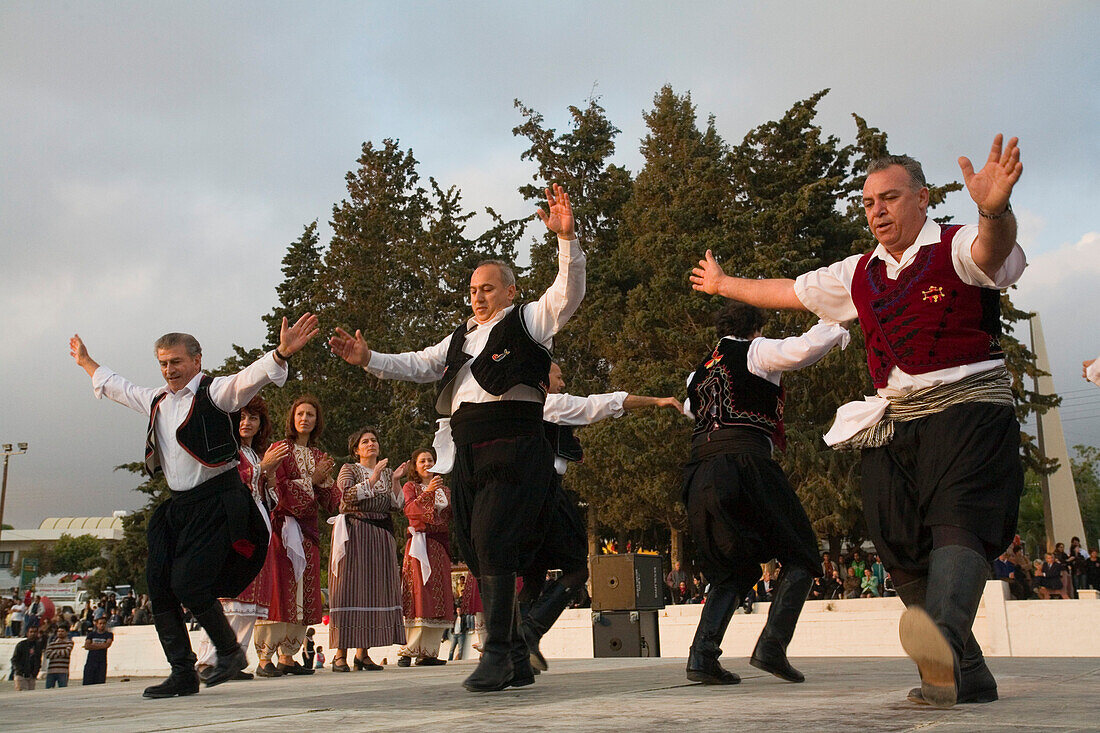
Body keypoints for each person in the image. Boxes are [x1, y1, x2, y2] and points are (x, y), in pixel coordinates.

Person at [690, 135, 1025, 708]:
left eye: (890, 199)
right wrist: (723, 285)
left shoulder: (959, 243)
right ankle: (965, 671)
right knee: (896, 538)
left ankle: (942, 640)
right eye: (869, 203)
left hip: (970, 410)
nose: (877, 211)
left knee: (957, 523)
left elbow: (994, 253)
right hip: (895, 420)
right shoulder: (858, 272)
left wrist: (993, 208)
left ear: (922, 200)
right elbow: (788, 292)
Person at [329, 184, 583, 692]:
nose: (478, 295)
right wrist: (369, 359)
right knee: (478, 546)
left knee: (492, 539)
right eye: (472, 289)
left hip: (514, 447)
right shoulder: (460, 338)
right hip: (468, 454)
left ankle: (495, 653)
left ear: (510, 291)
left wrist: (566, 241)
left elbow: (567, 292)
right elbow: (420, 365)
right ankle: (513, 656)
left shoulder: (530, 320)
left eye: (488, 287)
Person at [70, 314, 319, 698]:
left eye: (176, 362)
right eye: (164, 363)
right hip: (179, 507)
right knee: (159, 584)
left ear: (197, 360)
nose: (169, 370)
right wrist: (87, 363)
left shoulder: (216, 393)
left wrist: (281, 353)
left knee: (188, 581)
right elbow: (120, 387)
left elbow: (249, 378)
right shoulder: (157, 400)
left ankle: (229, 651)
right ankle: (182, 672)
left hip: (219, 501)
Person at [681, 302, 849, 686]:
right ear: (755, 327)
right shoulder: (755, 351)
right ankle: (772, 644)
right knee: (804, 553)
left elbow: (694, 412)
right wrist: (836, 320)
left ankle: (702, 656)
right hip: (746, 464)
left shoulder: (698, 372)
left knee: (733, 569)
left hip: (700, 470)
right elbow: (802, 349)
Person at [520, 361, 683, 672]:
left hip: (522, 498)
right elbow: (604, 403)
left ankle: (510, 646)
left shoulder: (516, 410)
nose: (563, 381)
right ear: (543, 381)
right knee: (576, 571)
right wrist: (656, 401)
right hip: (545, 493)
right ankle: (528, 633)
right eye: (558, 375)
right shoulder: (552, 404)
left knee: (533, 575)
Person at [195, 395, 285, 681]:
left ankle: (234, 661)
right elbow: (230, 480)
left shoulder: (255, 454)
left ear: (261, 425)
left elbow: (267, 496)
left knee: (249, 605)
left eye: (253, 418)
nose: (247, 423)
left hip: (256, 525)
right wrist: (262, 469)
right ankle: (209, 661)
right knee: (231, 600)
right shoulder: (227, 450)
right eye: (242, 417)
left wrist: (269, 479)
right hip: (232, 528)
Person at [253, 395, 341, 677]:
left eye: (310, 415)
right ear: (292, 418)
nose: (304, 418)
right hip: (282, 531)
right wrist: (311, 481)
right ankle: (265, 657)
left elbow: (331, 499)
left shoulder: (318, 456)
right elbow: (275, 490)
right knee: (280, 591)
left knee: (304, 592)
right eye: (300, 413)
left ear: (317, 421)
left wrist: (344, 493)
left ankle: (288, 656)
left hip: (308, 532)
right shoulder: (280, 449)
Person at [328, 427, 408, 672]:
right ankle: (340, 654)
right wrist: (372, 478)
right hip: (355, 532)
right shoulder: (349, 470)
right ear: (356, 449)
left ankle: (363, 653)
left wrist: (394, 481)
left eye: (374, 440)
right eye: (365, 441)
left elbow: (397, 506)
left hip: (380, 535)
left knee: (374, 590)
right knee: (350, 588)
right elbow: (346, 497)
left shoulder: (386, 473)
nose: (371, 444)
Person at [397, 449, 455, 667]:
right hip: (420, 545)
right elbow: (411, 510)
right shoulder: (410, 487)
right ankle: (407, 650)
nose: (427, 464)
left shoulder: (446, 490)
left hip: (439, 545)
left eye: (430, 460)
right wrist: (428, 492)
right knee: (419, 594)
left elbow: (448, 515)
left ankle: (429, 651)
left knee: (438, 595)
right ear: (415, 465)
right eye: (422, 461)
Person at [83, 615, 113, 685]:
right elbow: (87, 646)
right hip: (91, 662)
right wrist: (101, 646)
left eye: (104, 623)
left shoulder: (109, 634)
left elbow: (107, 645)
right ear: (96, 624)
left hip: (101, 662)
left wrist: (93, 645)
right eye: (100, 623)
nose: (102, 625)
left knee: (100, 683)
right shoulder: (91, 634)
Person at [11, 623, 42, 690]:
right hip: (21, 676)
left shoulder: (38, 646)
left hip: (31, 676)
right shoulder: (21, 645)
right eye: (31, 632)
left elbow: (38, 660)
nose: (33, 634)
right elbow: (14, 659)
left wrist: (35, 672)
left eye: (35, 632)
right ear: (27, 633)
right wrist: (19, 670)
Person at [44, 623, 75, 688]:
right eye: (59, 631)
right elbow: (48, 654)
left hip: (63, 671)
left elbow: (66, 652)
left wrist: (54, 652)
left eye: (62, 631)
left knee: (63, 690)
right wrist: (60, 653)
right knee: (48, 690)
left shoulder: (69, 642)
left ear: (66, 632)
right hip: (51, 671)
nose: (60, 633)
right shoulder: (52, 643)